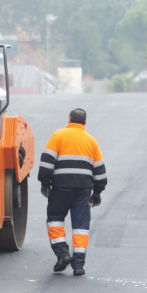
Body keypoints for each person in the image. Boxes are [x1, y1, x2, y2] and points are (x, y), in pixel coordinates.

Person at [38, 108, 107, 276]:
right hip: (84, 189)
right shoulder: (91, 141)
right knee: (81, 225)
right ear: (85, 122)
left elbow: (47, 162)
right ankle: (78, 265)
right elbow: (100, 170)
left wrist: (45, 183)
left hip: (61, 187)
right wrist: (97, 192)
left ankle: (62, 254)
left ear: (69, 119)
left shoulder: (58, 136)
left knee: (55, 218)